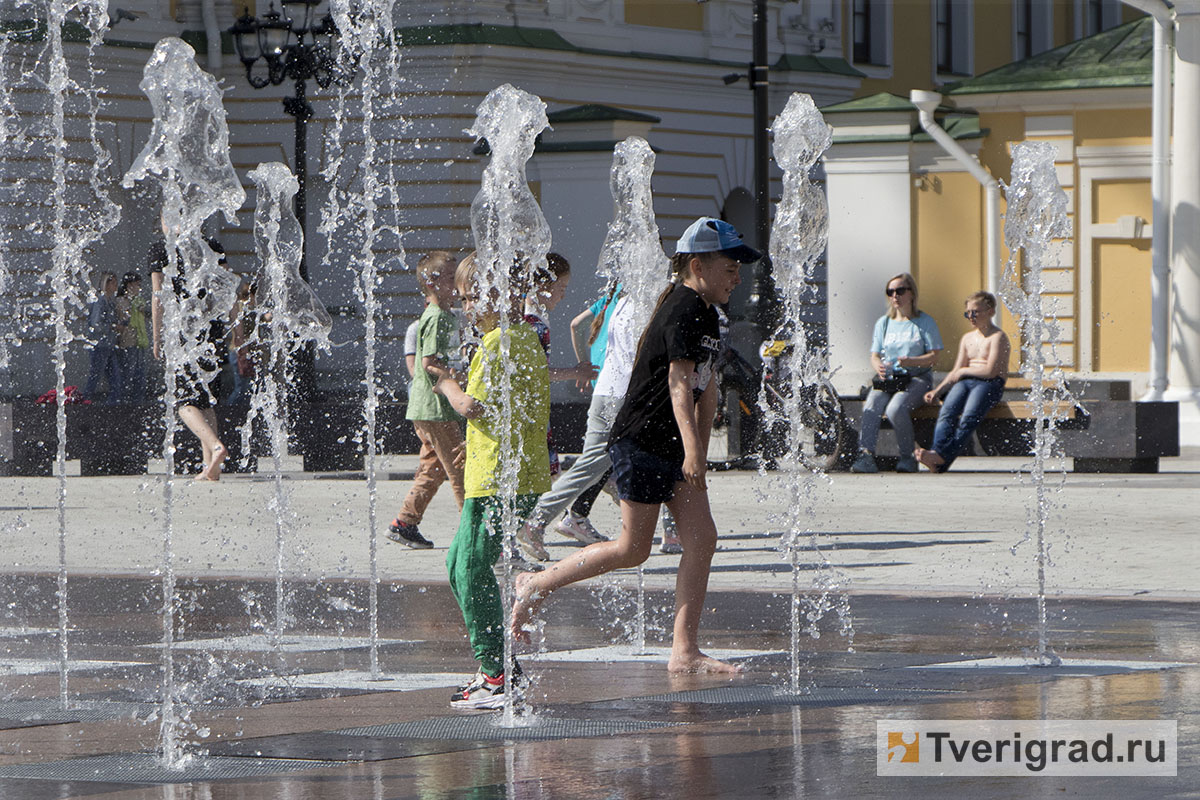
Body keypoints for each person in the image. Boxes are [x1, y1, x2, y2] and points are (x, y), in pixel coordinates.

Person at [509, 216, 759, 674]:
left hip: (672, 443)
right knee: (632, 548)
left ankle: (684, 652)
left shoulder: (707, 312)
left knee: (702, 539)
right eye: (730, 267)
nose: (737, 276)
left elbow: (707, 389)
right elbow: (679, 384)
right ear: (699, 265)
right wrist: (693, 452)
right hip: (642, 440)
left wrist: (697, 448)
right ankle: (536, 583)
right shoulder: (684, 308)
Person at [434, 251, 551, 708]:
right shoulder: (511, 339)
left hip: (504, 477)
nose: (465, 308)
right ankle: (498, 666)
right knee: (458, 563)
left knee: (470, 566)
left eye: (470, 298)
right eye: (462, 299)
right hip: (496, 472)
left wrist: (445, 381)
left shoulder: (503, 340)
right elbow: (502, 409)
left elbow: (472, 406)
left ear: (498, 294)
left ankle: (497, 674)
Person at [388, 251, 466, 549]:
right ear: (432, 283)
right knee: (460, 470)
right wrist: (455, 375)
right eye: (450, 277)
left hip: (430, 407)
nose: (457, 281)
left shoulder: (445, 315)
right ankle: (475, 538)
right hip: (436, 408)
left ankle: (404, 524)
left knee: (433, 468)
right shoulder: (435, 318)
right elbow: (428, 363)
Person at [150, 236, 233, 481]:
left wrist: (157, 337)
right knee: (207, 401)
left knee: (184, 402)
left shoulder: (161, 248)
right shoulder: (212, 244)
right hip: (214, 330)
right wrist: (236, 330)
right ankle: (211, 468)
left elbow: (158, 297)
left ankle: (216, 447)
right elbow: (227, 288)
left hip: (183, 331)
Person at [850, 273, 943, 473]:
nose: (895, 296)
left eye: (900, 290)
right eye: (890, 292)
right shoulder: (883, 323)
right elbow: (874, 355)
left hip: (917, 378)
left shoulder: (924, 322)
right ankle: (865, 456)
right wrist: (878, 367)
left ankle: (907, 457)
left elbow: (935, 356)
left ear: (911, 294)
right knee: (872, 405)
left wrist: (912, 361)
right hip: (890, 379)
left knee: (895, 409)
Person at [915, 291, 1011, 473]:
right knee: (947, 412)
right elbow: (955, 371)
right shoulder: (968, 338)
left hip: (989, 383)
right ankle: (937, 456)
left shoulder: (998, 337)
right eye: (968, 313)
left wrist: (964, 371)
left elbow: (990, 371)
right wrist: (938, 390)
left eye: (976, 312)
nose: (971, 317)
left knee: (968, 417)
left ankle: (939, 458)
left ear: (990, 311)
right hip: (965, 382)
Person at [522, 253, 598, 481]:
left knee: (546, 474)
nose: (564, 294)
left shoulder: (532, 319)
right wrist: (576, 372)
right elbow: (535, 374)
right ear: (544, 286)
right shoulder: (533, 324)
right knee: (545, 475)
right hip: (529, 412)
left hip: (533, 410)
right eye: (562, 286)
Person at [84, 272, 122, 404]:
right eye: (113, 283)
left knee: (113, 377)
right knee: (96, 375)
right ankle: (86, 401)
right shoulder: (100, 301)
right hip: (99, 345)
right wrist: (113, 327)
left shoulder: (111, 301)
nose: (116, 285)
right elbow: (96, 323)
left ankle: (112, 404)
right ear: (106, 284)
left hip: (108, 344)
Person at [114, 272, 149, 404]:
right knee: (128, 372)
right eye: (137, 285)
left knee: (140, 373)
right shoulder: (121, 300)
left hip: (140, 340)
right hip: (128, 341)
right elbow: (124, 318)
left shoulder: (138, 300)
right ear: (129, 285)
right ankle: (124, 401)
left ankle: (138, 400)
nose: (139, 288)